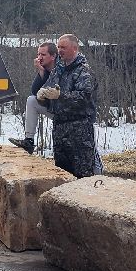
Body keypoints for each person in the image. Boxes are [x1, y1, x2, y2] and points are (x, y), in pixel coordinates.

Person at [38, 33, 103, 178]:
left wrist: (60, 96)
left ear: (75, 48)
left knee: (83, 175)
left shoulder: (83, 71)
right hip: (60, 127)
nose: (60, 50)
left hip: (79, 129)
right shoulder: (58, 70)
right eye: (59, 47)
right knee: (62, 175)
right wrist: (42, 96)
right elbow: (49, 89)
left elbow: (84, 98)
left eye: (64, 47)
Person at [11, 41, 56, 153]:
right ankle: (29, 141)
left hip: (68, 111)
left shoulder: (61, 68)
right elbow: (34, 91)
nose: (39, 57)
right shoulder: (45, 68)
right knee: (31, 100)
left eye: (43, 55)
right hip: (53, 108)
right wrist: (41, 71)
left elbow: (52, 86)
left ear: (53, 56)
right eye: (38, 54)